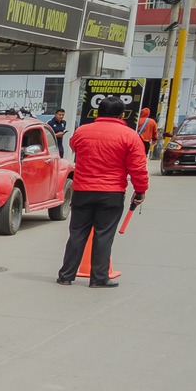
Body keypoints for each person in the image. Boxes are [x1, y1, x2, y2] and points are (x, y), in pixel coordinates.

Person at [56, 96, 147, 288]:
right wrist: (140, 191)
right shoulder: (130, 136)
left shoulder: (82, 132)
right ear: (122, 115)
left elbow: (74, 145)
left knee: (77, 233)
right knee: (103, 235)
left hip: (82, 190)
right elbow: (138, 168)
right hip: (111, 193)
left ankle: (66, 275)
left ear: (98, 112)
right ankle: (98, 278)